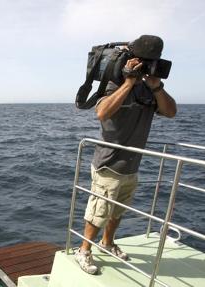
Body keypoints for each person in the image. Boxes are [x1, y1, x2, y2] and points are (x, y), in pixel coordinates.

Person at [75, 35, 177, 275]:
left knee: (118, 210)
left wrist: (156, 86)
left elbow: (170, 112)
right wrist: (129, 83)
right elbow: (102, 112)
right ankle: (84, 250)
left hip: (132, 165)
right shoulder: (115, 83)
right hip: (108, 164)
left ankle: (107, 243)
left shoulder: (150, 90)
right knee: (99, 212)